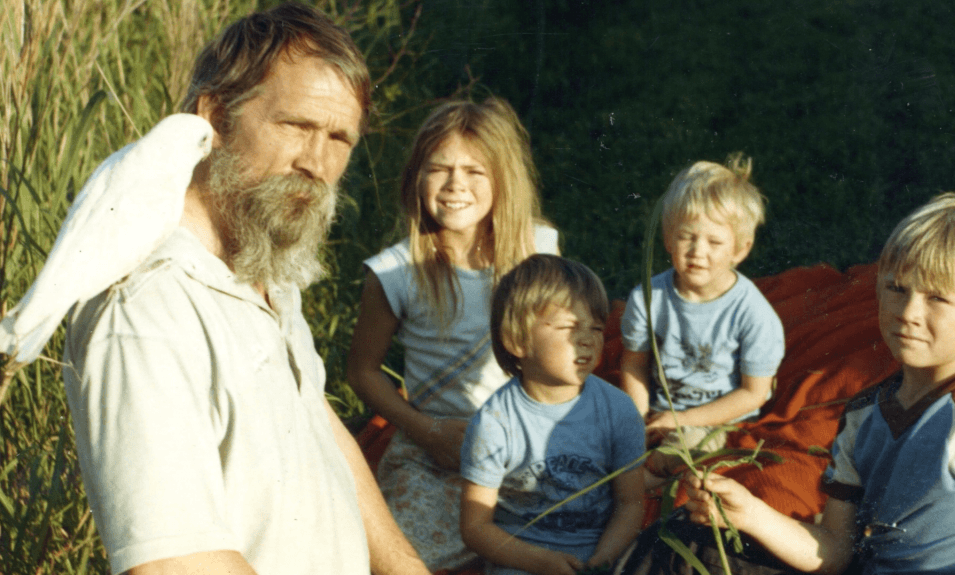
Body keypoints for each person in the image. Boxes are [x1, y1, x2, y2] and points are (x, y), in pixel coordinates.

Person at [61, 4, 430, 575]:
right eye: (296, 126)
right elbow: (175, 563)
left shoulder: (266, 277)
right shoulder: (149, 306)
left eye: (339, 138)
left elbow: (318, 430)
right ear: (214, 115)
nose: (317, 162)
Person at [683, 193, 955, 574]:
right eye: (897, 288)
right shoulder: (864, 413)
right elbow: (834, 551)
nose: (909, 312)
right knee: (689, 544)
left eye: (938, 299)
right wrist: (751, 513)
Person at [347, 97, 559, 571]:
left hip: (522, 442)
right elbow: (362, 372)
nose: (455, 185)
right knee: (396, 558)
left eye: (474, 171)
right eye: (438, 169)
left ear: (503, 179)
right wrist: (428, 432)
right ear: (416, 179)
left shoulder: (536, 250)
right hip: (435, 449)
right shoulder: (395, 272)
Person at [461, 254, 646, 574]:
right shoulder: (495, 423)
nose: (587, 340)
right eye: (569, 327)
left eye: (597, 328)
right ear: (517, 340)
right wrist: (541, 562)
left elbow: (630, 504)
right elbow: (476, 528)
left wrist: (599, 563)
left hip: (602, 548)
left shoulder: (619, 410)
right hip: (524, 555)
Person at [619, 156, 784, 486]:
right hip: (658, 414)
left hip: (716, 420)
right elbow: (634, 365)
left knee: (683, 451)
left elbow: (753, 393)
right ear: (668, 238)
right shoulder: (648, 298)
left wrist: (681, 420)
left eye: (714, 242)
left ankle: (636, 488)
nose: (697, 251)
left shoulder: (753, 313)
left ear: (740, 249)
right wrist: (637, 422)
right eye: (686, 237)